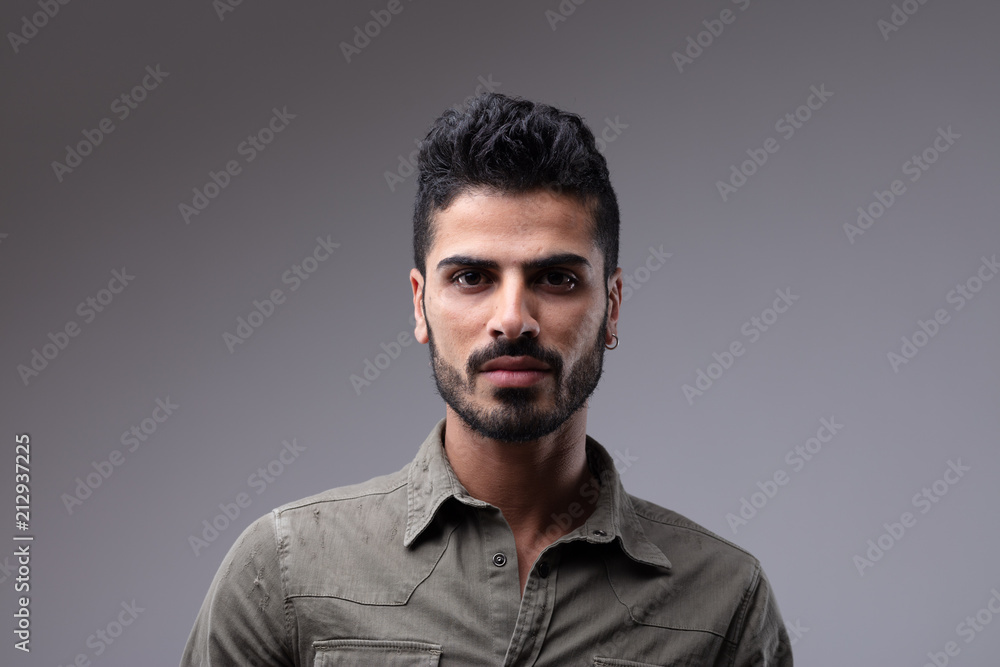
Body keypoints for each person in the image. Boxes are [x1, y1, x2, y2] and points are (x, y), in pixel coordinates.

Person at [181, 92, 792, 666]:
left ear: (613, 305)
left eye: (556, 278)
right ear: (420, 305)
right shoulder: (285, 572)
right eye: (471, 278)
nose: (512, 320)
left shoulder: (723, 601)